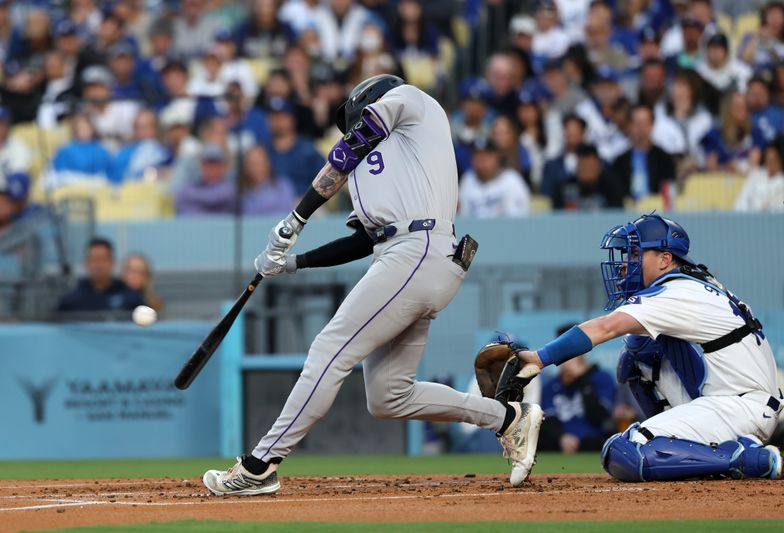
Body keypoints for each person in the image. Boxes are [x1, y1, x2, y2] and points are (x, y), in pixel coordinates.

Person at [202, 74, 543, 496]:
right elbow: (363, 240)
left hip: (417, 250)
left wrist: (297, 217)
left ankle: (260, 465)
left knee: (330, 348)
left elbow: (358, 139)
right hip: (408, 258)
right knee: (388, 396)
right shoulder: (383, 166)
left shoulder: (409, 100)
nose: (351, 124)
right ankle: (506, 418)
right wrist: (292, 263)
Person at [510, 214, 782, 482]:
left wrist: (537, 358)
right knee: (637, 352)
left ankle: (749, 459)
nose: (626, 263)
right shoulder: (692, 283)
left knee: (625, 452)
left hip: (741, 406)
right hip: (739, 400)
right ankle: (687, 441)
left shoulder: (675, 292)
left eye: (635, 253)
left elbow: (605, 327)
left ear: (665, 259)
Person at [538, 324, 617, 453]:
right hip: (560, 444)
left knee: (597, 442)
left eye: (572, 350)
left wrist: (582, 379)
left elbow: (599, 416)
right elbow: (549, 420)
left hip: (594, 442)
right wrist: (561, 437)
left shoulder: (602, 377)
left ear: (583, 352)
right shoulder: (552, 385)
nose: (568, 357)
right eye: (563, 351)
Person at [57, 237, 145, 313]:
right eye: (94, 259)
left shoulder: (131, 298)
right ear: (86, 263)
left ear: (112, 262)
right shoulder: (71, 301)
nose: (98, 265)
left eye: (103, 259)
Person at [612, 104, 675, 201]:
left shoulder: (664, 159)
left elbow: (669, 189)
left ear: (652, 126)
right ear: (629, 126)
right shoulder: (620, 162)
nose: (641, 129)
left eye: (645, 123)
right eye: (637, 123)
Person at [458, 137, 530, 218]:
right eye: (477, 155)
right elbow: (463, 217)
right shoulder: (467, 180)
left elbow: (518, 220)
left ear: (497, 158)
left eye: (486, 155)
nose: (481, 160)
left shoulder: (512, 180)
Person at [551, 143, 623, 210]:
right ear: (577, 167)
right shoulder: (566, 188)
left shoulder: (612, 187)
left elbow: (617, 213)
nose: (587, 171)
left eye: (591, 167)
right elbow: (557, 214)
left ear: (599, 166)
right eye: (583, 167)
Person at [174, 144, 235, 216]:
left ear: (223, 166)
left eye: (215, 163)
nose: (211, 167)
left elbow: (213, 198)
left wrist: (192, 199)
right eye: (207, 163)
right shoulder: (194, 185)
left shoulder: (228, 187)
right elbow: (179, 197)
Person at [241, 145, 297, 216]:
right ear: (246, 168)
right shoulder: (240, 191)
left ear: (268, 164)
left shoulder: (283, 186)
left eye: (260, 163)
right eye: (252, 164)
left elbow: (286, 216)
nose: (257, 168)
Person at [734, 140, 784, 212]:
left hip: (774, 220)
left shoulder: (782, 181)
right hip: (751, 218)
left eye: (773, 160)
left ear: (780, 161)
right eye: (768, 159)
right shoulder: (755, 175)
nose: (770, 163)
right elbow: (741, 200)